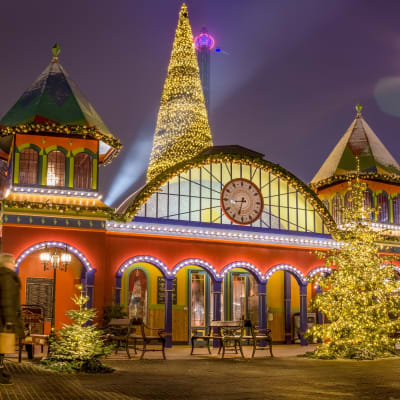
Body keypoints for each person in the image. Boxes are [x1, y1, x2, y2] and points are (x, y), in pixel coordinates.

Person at [0, 253, 24, 385]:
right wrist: (9, 321)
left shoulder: (4, 276)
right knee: (1, 348)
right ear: (6, 263)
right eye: (13, 262)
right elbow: (6, 300)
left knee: (2, 349)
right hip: (3, 321)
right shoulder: (6, 277)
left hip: (3, 319)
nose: (15, 265)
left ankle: (1, 371)